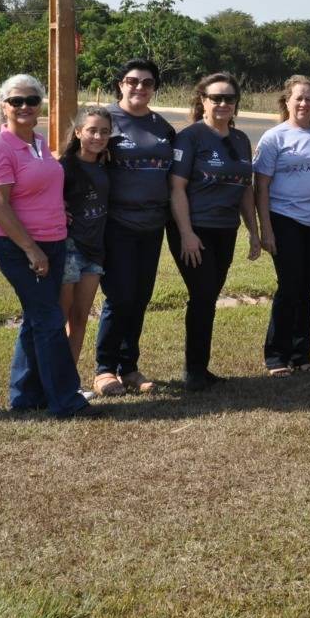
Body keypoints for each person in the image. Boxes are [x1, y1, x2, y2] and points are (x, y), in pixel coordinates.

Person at [0, 75, 94, 418]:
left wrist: (60, 212)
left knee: (37, 319)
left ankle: (25, 396)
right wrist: (31, 249)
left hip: (54, 241)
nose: (25, 106)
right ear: (4, 107)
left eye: (32, 100)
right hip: (22, 248)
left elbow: (43, 186)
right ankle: (65, 400)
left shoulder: (40, 143)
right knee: (48, 320)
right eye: (16, 101)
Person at [170, 72, 260, 391]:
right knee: (203, 294)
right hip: (196, 229)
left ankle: (200, 367)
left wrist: (253, 230)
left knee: (208, 297)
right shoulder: (190, 137)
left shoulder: (240, 140)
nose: (223, 104)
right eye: (215, 98)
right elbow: (177, 188)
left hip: (226, 230)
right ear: (203, 101)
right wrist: (186, 233)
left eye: (229, 98)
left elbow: (245, 190)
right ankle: (193, 371)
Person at [93, 59, 174, 398]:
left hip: (153, 224)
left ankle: (129, 367)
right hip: (116, 224)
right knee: (120, 296)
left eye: (147, 82)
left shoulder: (163, 127)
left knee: (140, 298)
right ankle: (104, 369)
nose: (139, 87)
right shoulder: (105, 121)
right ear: (120, 84)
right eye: (132, 81)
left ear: (155, 87)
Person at [254, 75, 310, 376]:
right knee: (289, 287)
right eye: (298, 98)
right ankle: (276, 355)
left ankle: (301, 355)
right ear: (287, 101)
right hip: (284, 218)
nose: (304, 103)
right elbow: (260, 187)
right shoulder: (274, 137)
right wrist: (266, 229)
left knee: (307, 289)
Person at [59, 105, 112, 395]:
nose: (98, 136)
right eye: (91, 130)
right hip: (69, 249)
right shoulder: (64, 166)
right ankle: (50, 382)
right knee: (61, 317)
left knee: (80, 317)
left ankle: (70, 383)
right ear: (78, 132)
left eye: (104, 131)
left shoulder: (106, 164)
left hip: (95, 252)